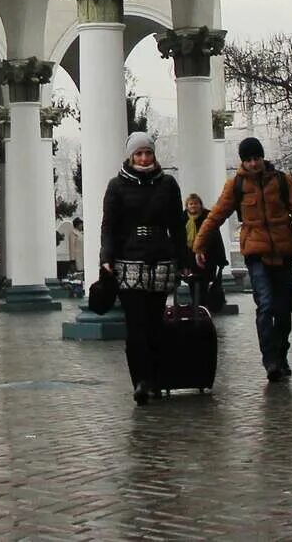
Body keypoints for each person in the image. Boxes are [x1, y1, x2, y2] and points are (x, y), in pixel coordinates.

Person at [193, 136, 292, 382]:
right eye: (248, 160)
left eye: (256, 158)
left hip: (283, 253)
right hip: (255, 254)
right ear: (243, 161)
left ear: (262, 158)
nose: (253, 164)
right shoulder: (236, 185)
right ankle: (270, 359)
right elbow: (216, 215)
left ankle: (281, 354)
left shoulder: (283, 182)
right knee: (265, 304)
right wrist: (199, 243)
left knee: (284, 309)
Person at [103, 132, 187, 405]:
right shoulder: (116, 186)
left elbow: (177, 225)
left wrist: (182, 259)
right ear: (130, 156)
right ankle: (141, 380)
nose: (143, 158)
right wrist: (106, 256)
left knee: (154, 324)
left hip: (159, 262)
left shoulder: (168, 185)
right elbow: (109, 226)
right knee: (135, 325)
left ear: (153, 154)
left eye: (147, 153)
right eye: (138, 153)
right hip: (128, 263)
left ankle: (155, 378)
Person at [181, 193, 227, 310]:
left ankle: (202, 306)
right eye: (191, 204)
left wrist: (221, 258)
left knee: (204, 282)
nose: (193, 206)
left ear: (200, 205)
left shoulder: (208, 217)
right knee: (192, 283)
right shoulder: (182, 218)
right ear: (187, 206)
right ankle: (197, 306)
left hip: (207, 256)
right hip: (189, 256)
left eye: (196, 203)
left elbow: (217, 238)